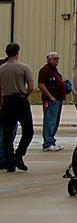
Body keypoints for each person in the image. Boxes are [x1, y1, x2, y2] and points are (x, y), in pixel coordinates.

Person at [1, 43, 36, 172]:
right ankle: (19, 155)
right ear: (17, 52)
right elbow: (31, 87)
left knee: (7, 133)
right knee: (28, 130)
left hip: (7, 101)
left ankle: (9, 160)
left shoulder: (2, 69)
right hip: (20, 100)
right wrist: (25, 94)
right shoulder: (24, 67)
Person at [38, 51, 67, 152]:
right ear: (49, 60)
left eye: (58, 58)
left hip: (57, 99)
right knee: (50, 121)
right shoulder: (45, 70)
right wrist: (50, 96)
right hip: (51, 101)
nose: (57, 61)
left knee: (54, 122)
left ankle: (51, 140)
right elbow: (41, 84)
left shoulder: (54, 70)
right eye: (55, 59)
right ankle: (48, 143)